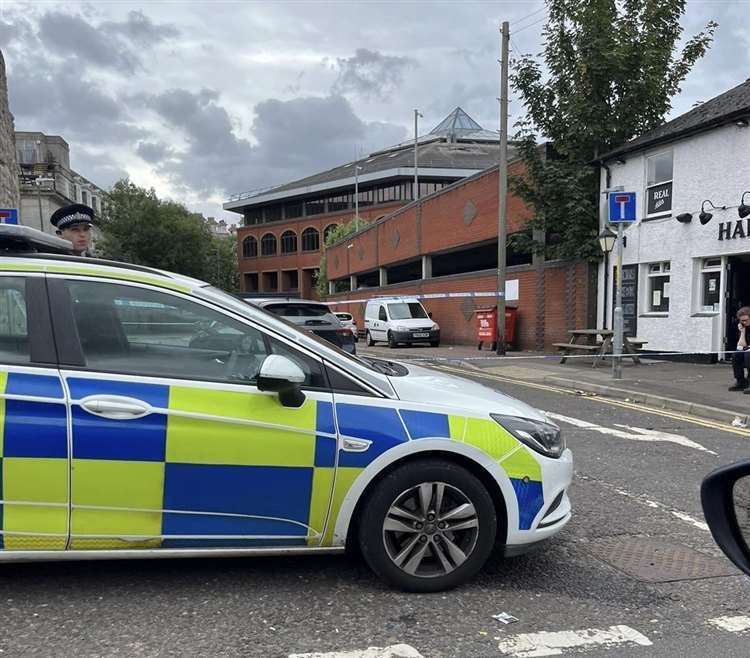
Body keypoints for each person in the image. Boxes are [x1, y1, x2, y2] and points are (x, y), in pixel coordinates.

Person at [729, 306, 750, 393]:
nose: (744, 322)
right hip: (748, 350)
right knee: (736, 355)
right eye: (742, 321)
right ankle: (741, 381)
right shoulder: (744, 327)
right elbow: (741, 346)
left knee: (748, 355)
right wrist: (742, 332)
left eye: (746, 320)